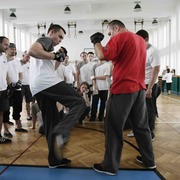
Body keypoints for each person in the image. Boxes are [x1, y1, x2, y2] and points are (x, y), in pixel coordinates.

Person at [90, 20, 156, 176]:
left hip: (123, 89)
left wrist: (96, 41)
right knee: (141, 127)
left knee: (113, 127)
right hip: (139, 89)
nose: (109, 37)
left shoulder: (120, 37)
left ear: (116, 28)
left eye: (109, 33)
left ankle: (110, 166)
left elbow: (101, 55)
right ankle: (149, 160)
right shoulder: (140, 40)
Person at [28, 24, 86, 168]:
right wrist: (54, 55)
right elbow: (32, 51)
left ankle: (54, 160)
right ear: (51, 32)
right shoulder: (46, 40)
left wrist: (58, 59)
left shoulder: (47, 48)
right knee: (79, 102)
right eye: (59, 36)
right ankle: (62, 131)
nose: (60, 40)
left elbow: (49, 68)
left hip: (37, 87)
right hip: (46, 82)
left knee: (50, 122)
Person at [136, 29, 160, 138]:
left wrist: (149, 88)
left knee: (148, 109)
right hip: (140, 84)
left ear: (145, 39)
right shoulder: (141, 50)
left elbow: (156, 70)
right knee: (139, 109)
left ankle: (150, 134)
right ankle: (139, 130)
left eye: (139, 40)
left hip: (149, 85)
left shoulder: (153, 51)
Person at [4, 43, 28, 134]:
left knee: (18, 107)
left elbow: (20, 73)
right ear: (7, 50)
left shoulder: (17, 61)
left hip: (17, 88)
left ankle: (18, 126)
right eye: (11, 49)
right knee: (6, 109)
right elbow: (3, 74)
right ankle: (6, 130)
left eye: (15, 49)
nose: (14, 51)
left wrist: (19, 82)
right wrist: (10, 85)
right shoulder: (3, 61)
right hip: (7, 88)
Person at [0, 36, 11, 143]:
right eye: (5, 44)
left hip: (3, 90)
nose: (7, 47)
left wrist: (7, 86)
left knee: (1, 113)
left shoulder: (3, 58)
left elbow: (6, 73)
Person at [20, 51, 33, 120]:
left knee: (28, 102)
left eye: (29, 57)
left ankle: (29, 115)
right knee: (19, 102)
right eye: (27, 56)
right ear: (23, 55)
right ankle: (18, 118)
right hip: (20, 85)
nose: (28, 58)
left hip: (28, 85)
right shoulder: (18, 63)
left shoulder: (30, 64)